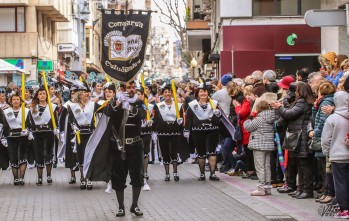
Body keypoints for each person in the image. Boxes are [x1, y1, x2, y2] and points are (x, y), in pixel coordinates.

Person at [271, 82, 315, 199]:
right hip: (298, 136)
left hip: (300, 136)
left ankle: (307, 190)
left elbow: (290, 114)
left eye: (296, 91)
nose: (295, 93)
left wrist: (279, 107)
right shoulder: (306, 102)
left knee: (304, 166)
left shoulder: (302, 103)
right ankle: (301, 188)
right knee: (300, 165)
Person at [184, 83, 221, 181]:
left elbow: (221, 119)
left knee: (212, 152)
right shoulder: (192, 105)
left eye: (205, 91)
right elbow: (188, 119)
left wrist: (219, 114)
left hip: (212, 130)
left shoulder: (214, 103)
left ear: (208, 93)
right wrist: (186, 129)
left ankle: (212, 174)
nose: (203, 93)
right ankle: (202, 174)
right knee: (201, 152)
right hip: (197, 131)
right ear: (198, 93)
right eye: (201, 91)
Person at [321, 91, 349, 219]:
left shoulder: (332, 118)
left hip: (338, 155)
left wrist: (327, 153)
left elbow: (326, 139)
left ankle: (344, 209)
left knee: (340, 182)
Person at [308, 81, 336, 204]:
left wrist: (316, 132)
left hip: (323, 138)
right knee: (324, 167)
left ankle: (328, 192)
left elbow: (322, 122)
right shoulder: (322, 102)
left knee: (326, 168)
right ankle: (326, 191)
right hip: (322, 137)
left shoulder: (325, 102)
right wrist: (315, 108)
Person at [68, 84, 99, 190]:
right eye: (84, 92)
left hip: (90, 133)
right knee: (81, 156)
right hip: (79, 134)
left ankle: (89, 178)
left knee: (90, 156)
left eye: (87, 92)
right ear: (79, 94)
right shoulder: (72, 106)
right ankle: (82, 177)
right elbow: (71, 120)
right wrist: (73, 127)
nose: (87, 94)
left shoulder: (93, 105)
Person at [244, 101, 276, 196]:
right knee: (267, 166)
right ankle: (267, 187)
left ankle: (261, 187)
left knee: (260, 166)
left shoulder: (260, 118)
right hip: (268, 145)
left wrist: (249, 118)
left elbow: (248, 127)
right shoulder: (271, 117)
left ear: (258, 108)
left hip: (259, 145)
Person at [28, 87, 59, 185]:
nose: (42, 95)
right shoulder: (32, 108)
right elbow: (30, 121)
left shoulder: (52, 107)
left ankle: (49, 175)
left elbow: (55, 119)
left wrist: (56, 128)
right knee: (38, 153)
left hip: (48, 132)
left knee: (48, 153)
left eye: (44, 94)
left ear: (47, 95)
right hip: (37, 133)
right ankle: (40, 177)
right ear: (37, 95)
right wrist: (29, 131)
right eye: (40, 93)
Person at [153, 85, 184, 181]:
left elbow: (183, 117)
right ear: (162, 94)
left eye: (169, 92)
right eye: (165, 92)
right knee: (165, 152)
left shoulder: (178, 105)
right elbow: (155, 119)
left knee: (173, 152)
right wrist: (154, 130)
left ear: (172, 93)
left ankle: (175, 172)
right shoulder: (158, 105)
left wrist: (181, 121)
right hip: (163, 132)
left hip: (174, 132)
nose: (167, 94)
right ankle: (167, 173)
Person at [1, 92, 32, 185]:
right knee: (13, 157)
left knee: (22, 157)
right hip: (11, 137)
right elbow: (4, 125)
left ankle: (22, 177)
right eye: (13, 99)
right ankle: (16, 178)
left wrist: (28, 131)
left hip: (23, 137)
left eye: (17, 99)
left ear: (20, 101)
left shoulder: (26, 111)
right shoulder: (6, 112)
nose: (16, 101)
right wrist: (4, 138)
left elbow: (30, 123)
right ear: (10, 101)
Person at [136, 87, 153, 191]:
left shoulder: (150, 106)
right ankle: (138, 171)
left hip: (146, 131)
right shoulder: (133, 106)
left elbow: (154, 116)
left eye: (141, 94)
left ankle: (145, 171)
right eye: (137, 94)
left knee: (146, 152)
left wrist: (152, 121)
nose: (140, 95)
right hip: (137, 131)